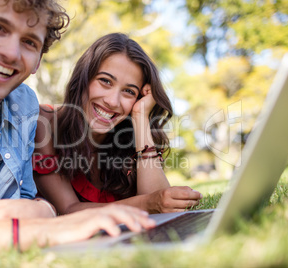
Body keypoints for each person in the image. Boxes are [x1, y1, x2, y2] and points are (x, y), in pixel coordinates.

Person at [0, 1, 155, 264]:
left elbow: (27, 203)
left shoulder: (22, 105)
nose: (11, 53)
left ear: (37, 62)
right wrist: (29, 232)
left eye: (29, 42)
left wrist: (44, 211)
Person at [33, 33, 203, 215]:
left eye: (129, 91)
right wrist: (148, 203)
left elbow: (160, 208)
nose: (113, 102)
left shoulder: (128, 133)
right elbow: (68, 209)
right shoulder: (44, 123)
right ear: (83, 79)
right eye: (105, 81)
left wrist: (140, 115)